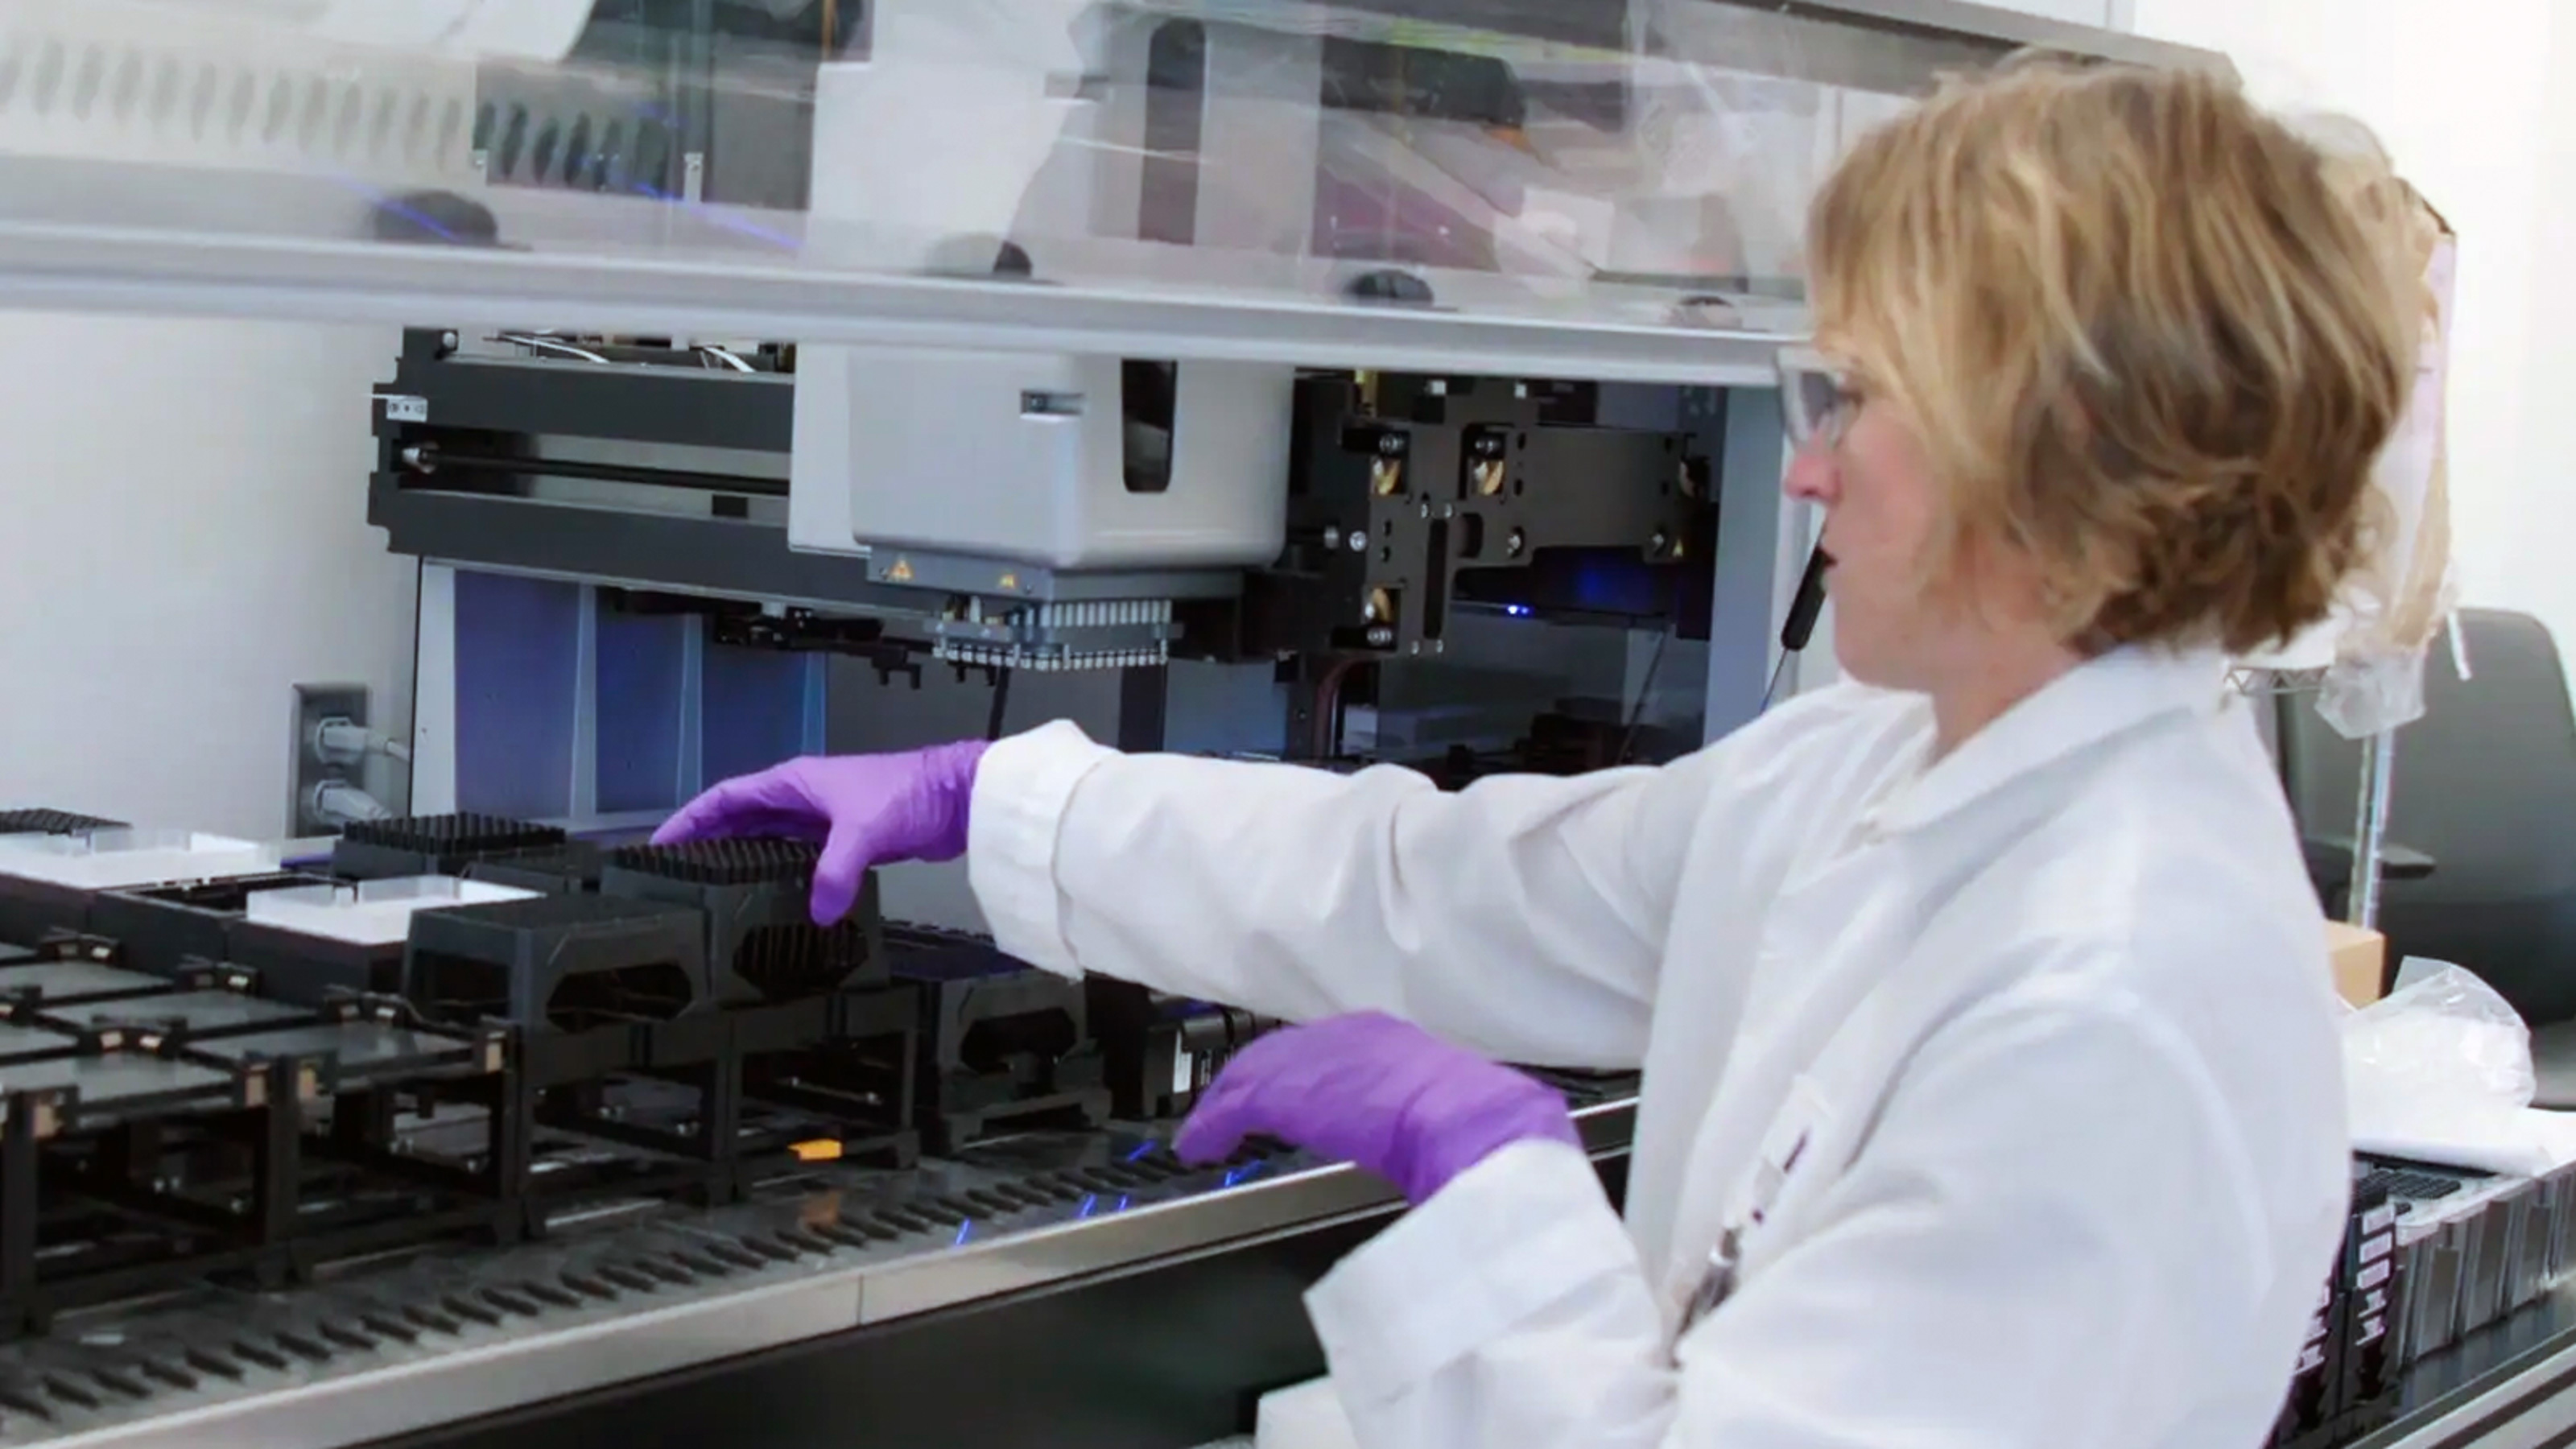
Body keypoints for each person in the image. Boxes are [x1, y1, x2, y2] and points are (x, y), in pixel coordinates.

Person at [658, 60, 2418, 1449]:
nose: (1801, 474)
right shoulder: (1887, 769)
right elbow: (1441, 886)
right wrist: (1001, 802)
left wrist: (1497, 1177)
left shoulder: (2117, 1003)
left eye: (1854, 403)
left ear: (2061, 444)